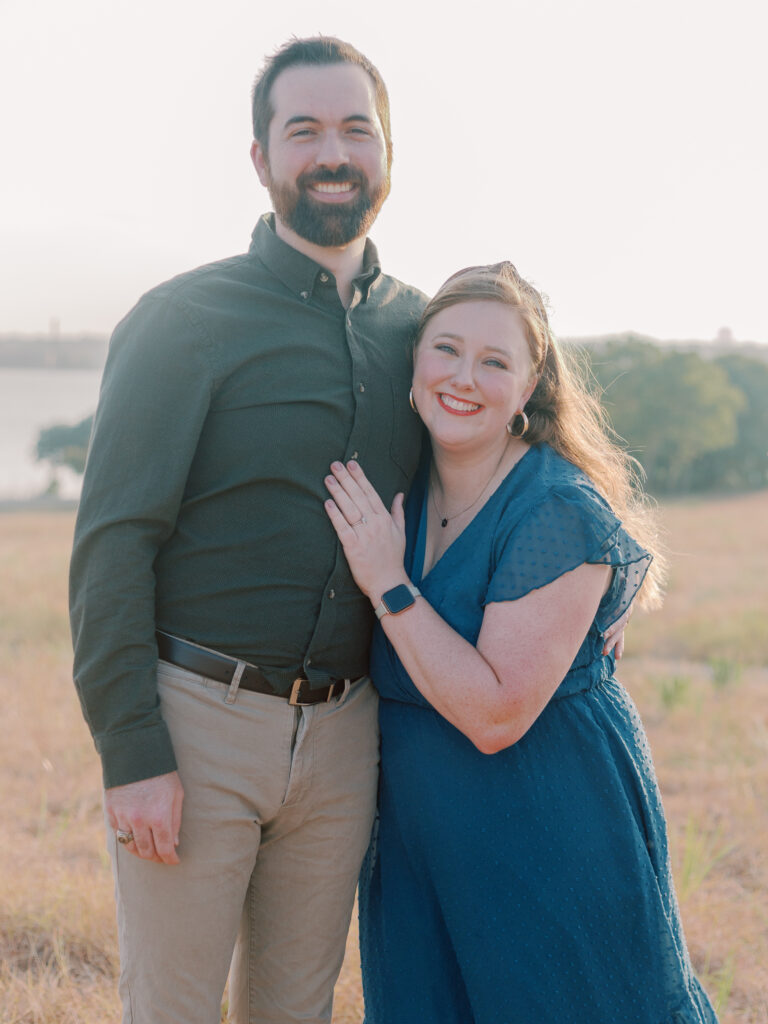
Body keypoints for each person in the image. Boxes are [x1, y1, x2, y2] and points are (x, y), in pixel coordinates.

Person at [69, 37, 428, 1024]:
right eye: (302, 128)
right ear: (261, 157)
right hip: (197, 722)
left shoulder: (427, 332)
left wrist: (611, 573)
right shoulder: (182, 320)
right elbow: (113, 542)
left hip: (348, 736)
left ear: (389, 151)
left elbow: (522, 463)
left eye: (357, 128)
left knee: (296, 1012)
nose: (332, 151)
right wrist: (132, 752)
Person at [323, 262, 719, 1023]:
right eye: (446, 349)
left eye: (495, 361)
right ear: (413, 359)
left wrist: (388, 584)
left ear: (531, 384)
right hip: (423, 845)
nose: (463, 377)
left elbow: (496, 715)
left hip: (548, 831)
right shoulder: (399, 484)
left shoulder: (555, 510)